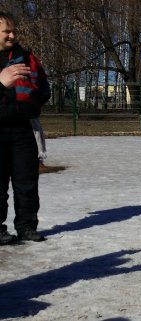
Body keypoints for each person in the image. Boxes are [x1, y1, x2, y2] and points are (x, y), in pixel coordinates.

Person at [0, 12, 51, 243]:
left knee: (27, 182)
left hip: (23, 129)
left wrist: (30, 106)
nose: (12, 35)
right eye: (6, 31)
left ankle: (27, 227)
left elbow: (43, 90)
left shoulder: (27, 58)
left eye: (13, 31)